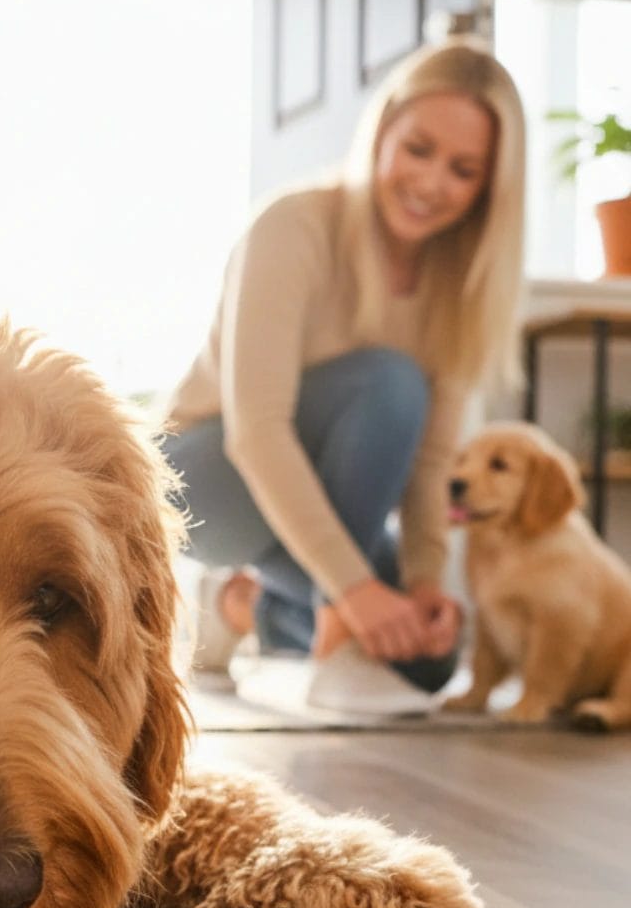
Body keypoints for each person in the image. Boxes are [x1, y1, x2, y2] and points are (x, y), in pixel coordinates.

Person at [162, 36, 527, 713]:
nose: (431, 183)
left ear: (488, 187)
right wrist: (355, 593)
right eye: (418, 149)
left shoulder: (461, 288)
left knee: (430, 657)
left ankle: (242, 607)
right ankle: (321, 619)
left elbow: (431, 463)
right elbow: (258, 431)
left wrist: (420, 584)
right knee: (388, 384)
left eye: (463, 169)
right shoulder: (292, 226)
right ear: (383, 129)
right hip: (203, 475)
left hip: (316, 498)